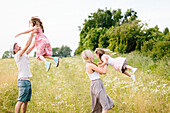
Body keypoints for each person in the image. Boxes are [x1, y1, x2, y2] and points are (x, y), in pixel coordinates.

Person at [12, 32, 35, 113]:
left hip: (27, 81)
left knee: (25, 101)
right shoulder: (17, 55)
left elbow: (31, 46)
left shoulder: (23, 54)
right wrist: (32, 34)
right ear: (15, 50)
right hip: (22, 81)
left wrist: (37, 37)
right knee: (20, 100)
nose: (18, 46)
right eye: (16, 46)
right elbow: (27, 45)